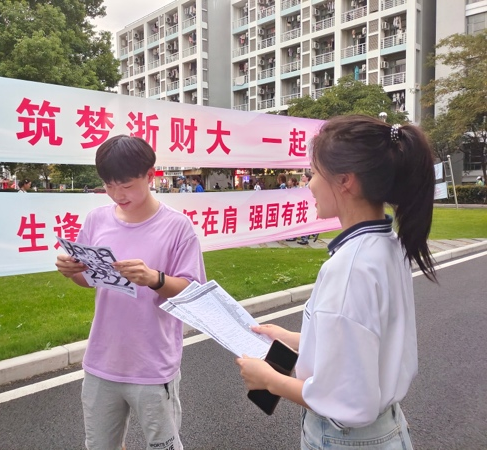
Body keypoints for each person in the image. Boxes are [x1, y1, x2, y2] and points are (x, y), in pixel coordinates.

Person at [236, 115, 437, 450]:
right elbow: (362, 342)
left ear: (345, 181)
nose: (309, 184)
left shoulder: (350, 269)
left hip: (346, 439)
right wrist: (291, 338)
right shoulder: (388, 246)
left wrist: (268, 380)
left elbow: (345, 400)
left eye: (313, 173)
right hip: (385, 429)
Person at [55, 135, 206, 450]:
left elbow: (193, 292)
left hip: (153, 365)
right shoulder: (97, 219)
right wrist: (73, 271)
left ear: (150, 175)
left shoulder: (177, 227)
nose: (116, 194)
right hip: (102, 360)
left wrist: (154, 278)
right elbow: (89, 280)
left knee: (162, 445)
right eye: (108, 185)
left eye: (126, 185)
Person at [297, 172, 318, 245]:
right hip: (305, 205)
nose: (302, 177)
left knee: (304, 221)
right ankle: (314, 233)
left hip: (307, 206)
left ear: (307, 178)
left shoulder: (309, 185)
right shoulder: (305, 185)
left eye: (303, 176)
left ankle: (305, 238)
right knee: (306, 222)